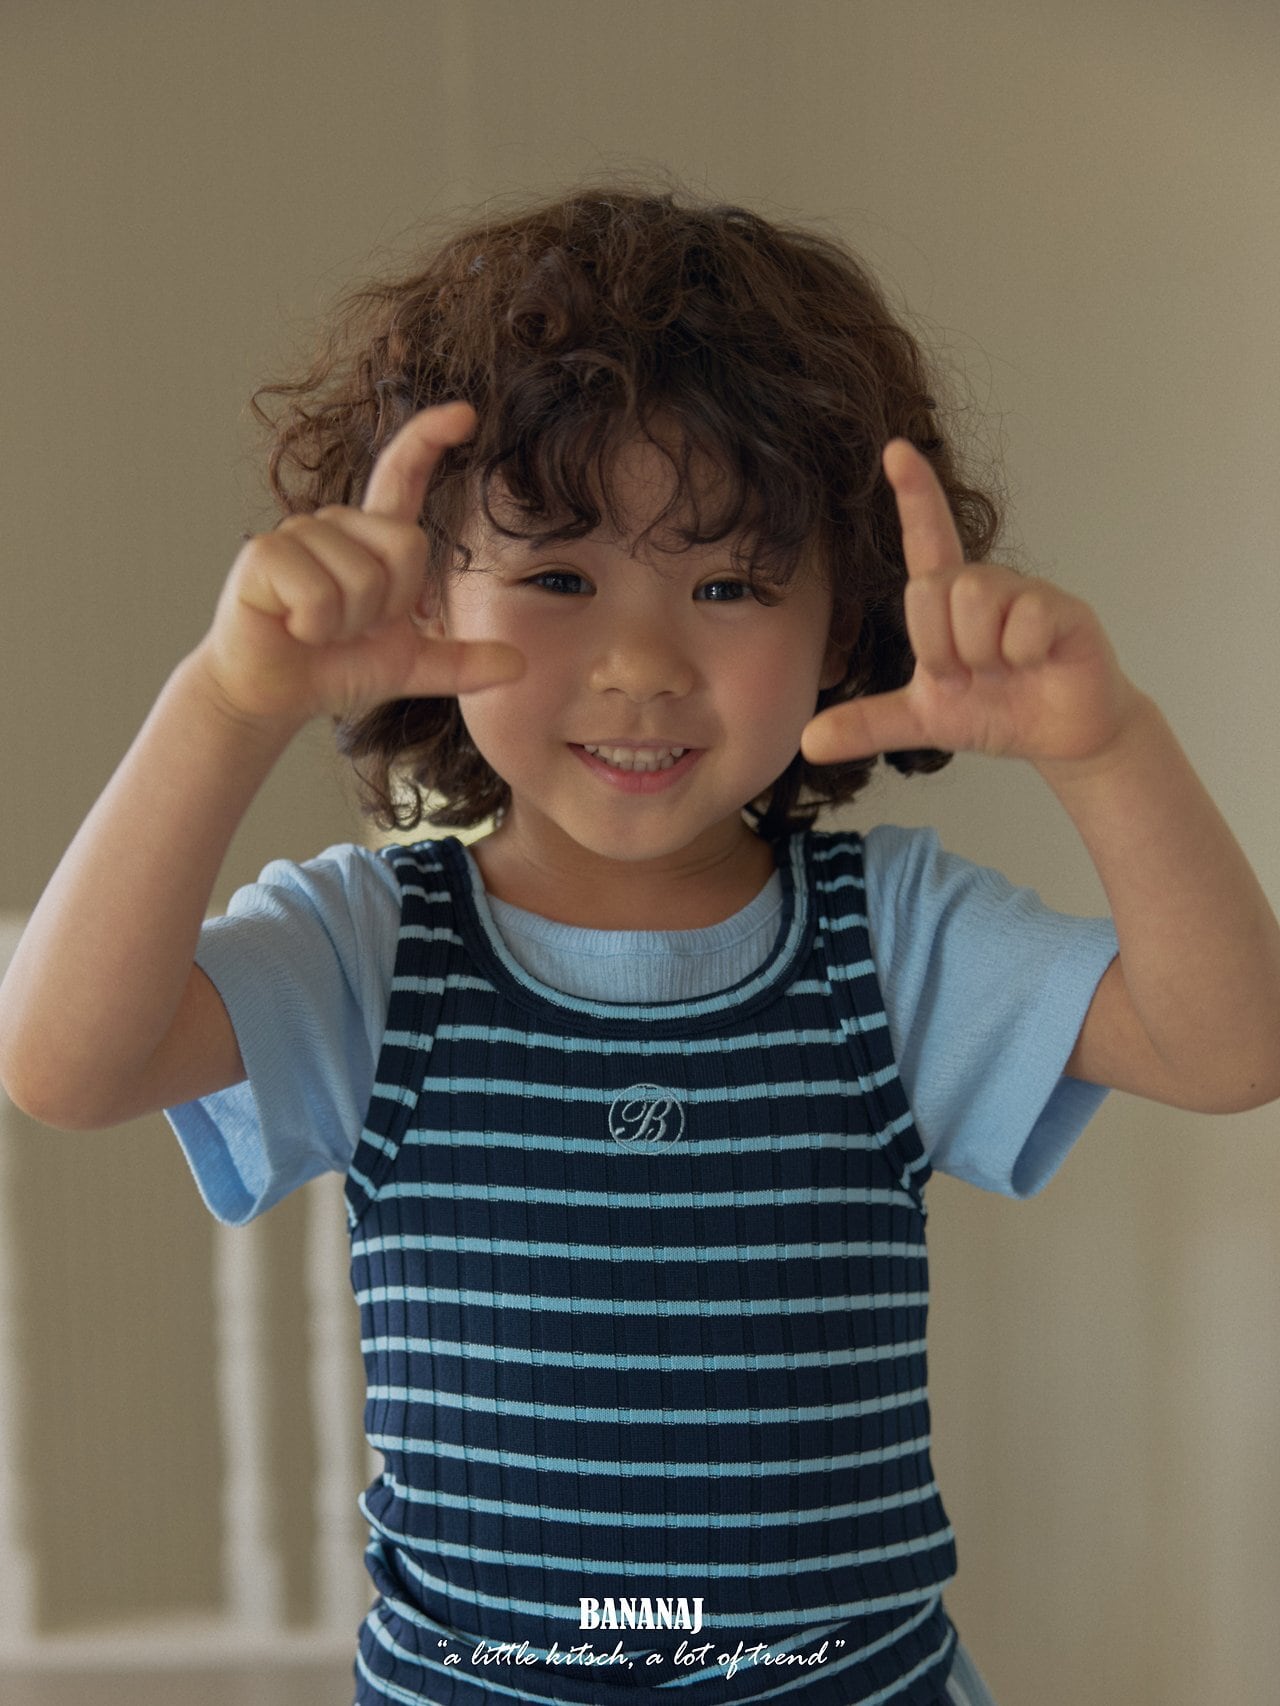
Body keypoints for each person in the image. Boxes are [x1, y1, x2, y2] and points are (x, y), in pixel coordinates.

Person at [1, 181, 1278, 1706]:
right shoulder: (373, 946)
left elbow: (1232, 1046)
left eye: (728, 584)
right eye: (559, 577)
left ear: (843, 618)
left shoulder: (889, 941)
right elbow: (63, 1064)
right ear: (424, 591)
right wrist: (224, 703)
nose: (641, 663)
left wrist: (1108, 747)